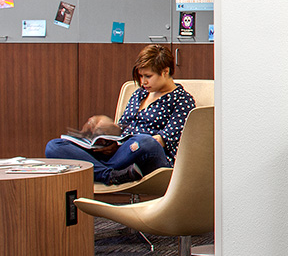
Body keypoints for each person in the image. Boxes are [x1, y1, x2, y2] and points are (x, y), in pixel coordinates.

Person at [44, 44, 197, 186]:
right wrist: (106, 131)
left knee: (145, 141)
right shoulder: (138, 94)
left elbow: (164, 139)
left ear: (165, 71)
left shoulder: (182, 100)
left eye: (148, 76)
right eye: (141, 76)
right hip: (121, 153)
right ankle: (110, 175)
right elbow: (122, 129)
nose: (143, 82)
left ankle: (101, 171)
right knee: (54, 147)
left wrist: (128, 143)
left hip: (148, 154)